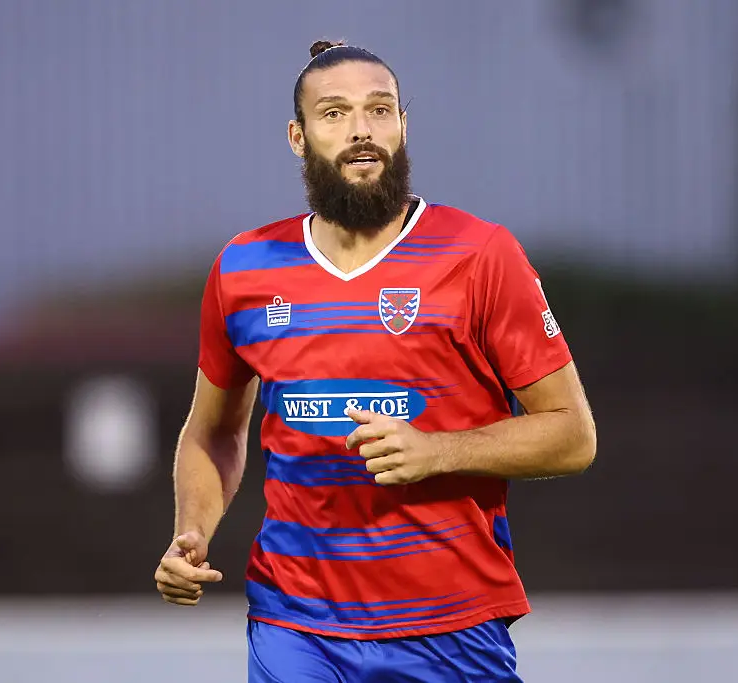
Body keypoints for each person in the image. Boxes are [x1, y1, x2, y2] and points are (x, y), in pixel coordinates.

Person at [154, 39, 597, 682]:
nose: (361, 130)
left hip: (449, 622)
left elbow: (572, 434)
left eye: (379, 109)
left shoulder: (481, 254)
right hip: (293, 620)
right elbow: (212, 432)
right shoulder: (243, 269)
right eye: (334, 113)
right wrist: (191, 531)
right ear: (298, 137)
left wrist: (438, 451)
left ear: (403, 126)